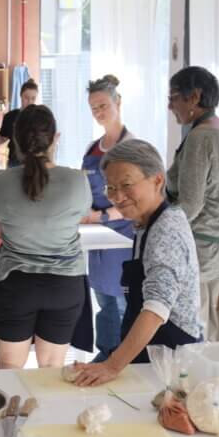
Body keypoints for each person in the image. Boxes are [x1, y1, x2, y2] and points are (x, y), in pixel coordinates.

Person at [72, 139, 203, 437]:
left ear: (157, 179)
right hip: (161, 366)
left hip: (164, 367)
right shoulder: (150, 222)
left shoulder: (164, 230)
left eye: (127, 185)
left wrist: (113, 365)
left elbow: (156, 309)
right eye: (111, 189)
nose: (119, 196)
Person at [0, 105, 91, 369]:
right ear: (55, 138)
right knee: (52, 372)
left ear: (17, 140)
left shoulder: (0, 182)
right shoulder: (76, 181)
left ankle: (13, 413)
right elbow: (80, 216)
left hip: (17, 285)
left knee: (9, 372)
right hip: (65, 285)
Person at [165, 66, 219, 341]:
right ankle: (204, 377)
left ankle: (195, 379)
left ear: (195, 97)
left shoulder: (200, 137)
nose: (170, 105)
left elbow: (191, 204)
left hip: (198, 243)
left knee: (192, 324)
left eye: (174, 97)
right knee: (207, 321)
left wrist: (160, 227)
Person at [81, 76, 135, 361]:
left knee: (124, 300)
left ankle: (125, 357)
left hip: (124, 236)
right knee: (103, 300)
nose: (99, 112)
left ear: (118, 102)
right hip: (96, 237)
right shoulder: (92, 148)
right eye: (93, 108)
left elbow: (135, 197)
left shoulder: (132, 147)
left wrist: (101, 215)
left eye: (103, 105)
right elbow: (84, 190)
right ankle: (105, 353)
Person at [0, 78, 38, 167]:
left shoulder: (40, 117)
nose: (30, 102)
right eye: (26, 98)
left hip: (34, 163)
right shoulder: (9, 117)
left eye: (33, 98)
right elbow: (2, 139)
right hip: (13, 163)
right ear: (21, 96)